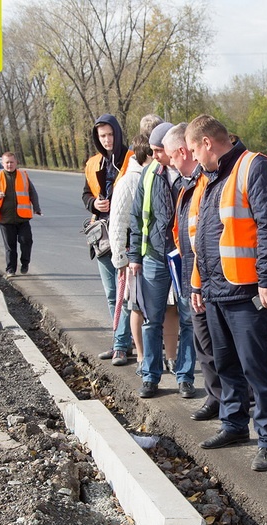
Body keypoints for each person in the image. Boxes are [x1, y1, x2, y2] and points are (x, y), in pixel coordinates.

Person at [185, 115, 267, 472]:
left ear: (207, 143)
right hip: (215, 290)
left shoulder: (254, 167)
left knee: (258, 369)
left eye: (195, 150)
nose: (194, 157)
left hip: (247, 292)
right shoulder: (208, 178)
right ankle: (233, 425)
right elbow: (200, 239)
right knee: (226, 365)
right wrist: (198, 284)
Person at [129, 122, 197, 400]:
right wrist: (134, 256)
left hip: (184, 260)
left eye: (159, 150)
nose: (155, 155)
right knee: (151, 319)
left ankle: (185, 377)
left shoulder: (192, 174)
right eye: (154, 150)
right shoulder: (149, 175)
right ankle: (150, 376)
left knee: (188, 319)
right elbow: (137, 218)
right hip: (155, 258)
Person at [164, 123, 220, 421]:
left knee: (220, 345)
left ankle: (235, 399)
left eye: (173, 156)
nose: (171, 163)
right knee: (204, 343)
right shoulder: (186, 183)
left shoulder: (206, 181)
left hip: (210, 279)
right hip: (191, 276)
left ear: (184, 151)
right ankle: (216, 397)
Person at [83, 114, 134, 362]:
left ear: (118, 133)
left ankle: (123, 345)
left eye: (110, 134)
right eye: (102, 136)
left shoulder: (132, 159)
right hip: (102, 237)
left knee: (125, 293)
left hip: (126, 235)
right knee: (112, 293)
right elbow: (85, 195)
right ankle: (119, 341)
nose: (106, 140)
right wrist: (95, 204)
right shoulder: (93, 163)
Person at [109, 133, 153, 368]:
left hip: (148, 252)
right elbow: (117, 221)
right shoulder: (129, 180)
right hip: (130, 251)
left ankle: (143, 350)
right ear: (146, 155)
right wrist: (120, 258)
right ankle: (122, 346)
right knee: (129, 303)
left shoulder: (153, 175)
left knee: (142, 304)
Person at [0, 152, 42, 278]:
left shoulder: (23, 175)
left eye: (11, 162)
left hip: (22, 217)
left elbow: (32, 192)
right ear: (3, 163)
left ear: (16, 163)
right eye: (7, 162)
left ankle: (25, 263)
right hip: (6, 218)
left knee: (26, 241)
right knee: (10, 247)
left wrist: (36, 207)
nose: (9, 165)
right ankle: (10, 269)